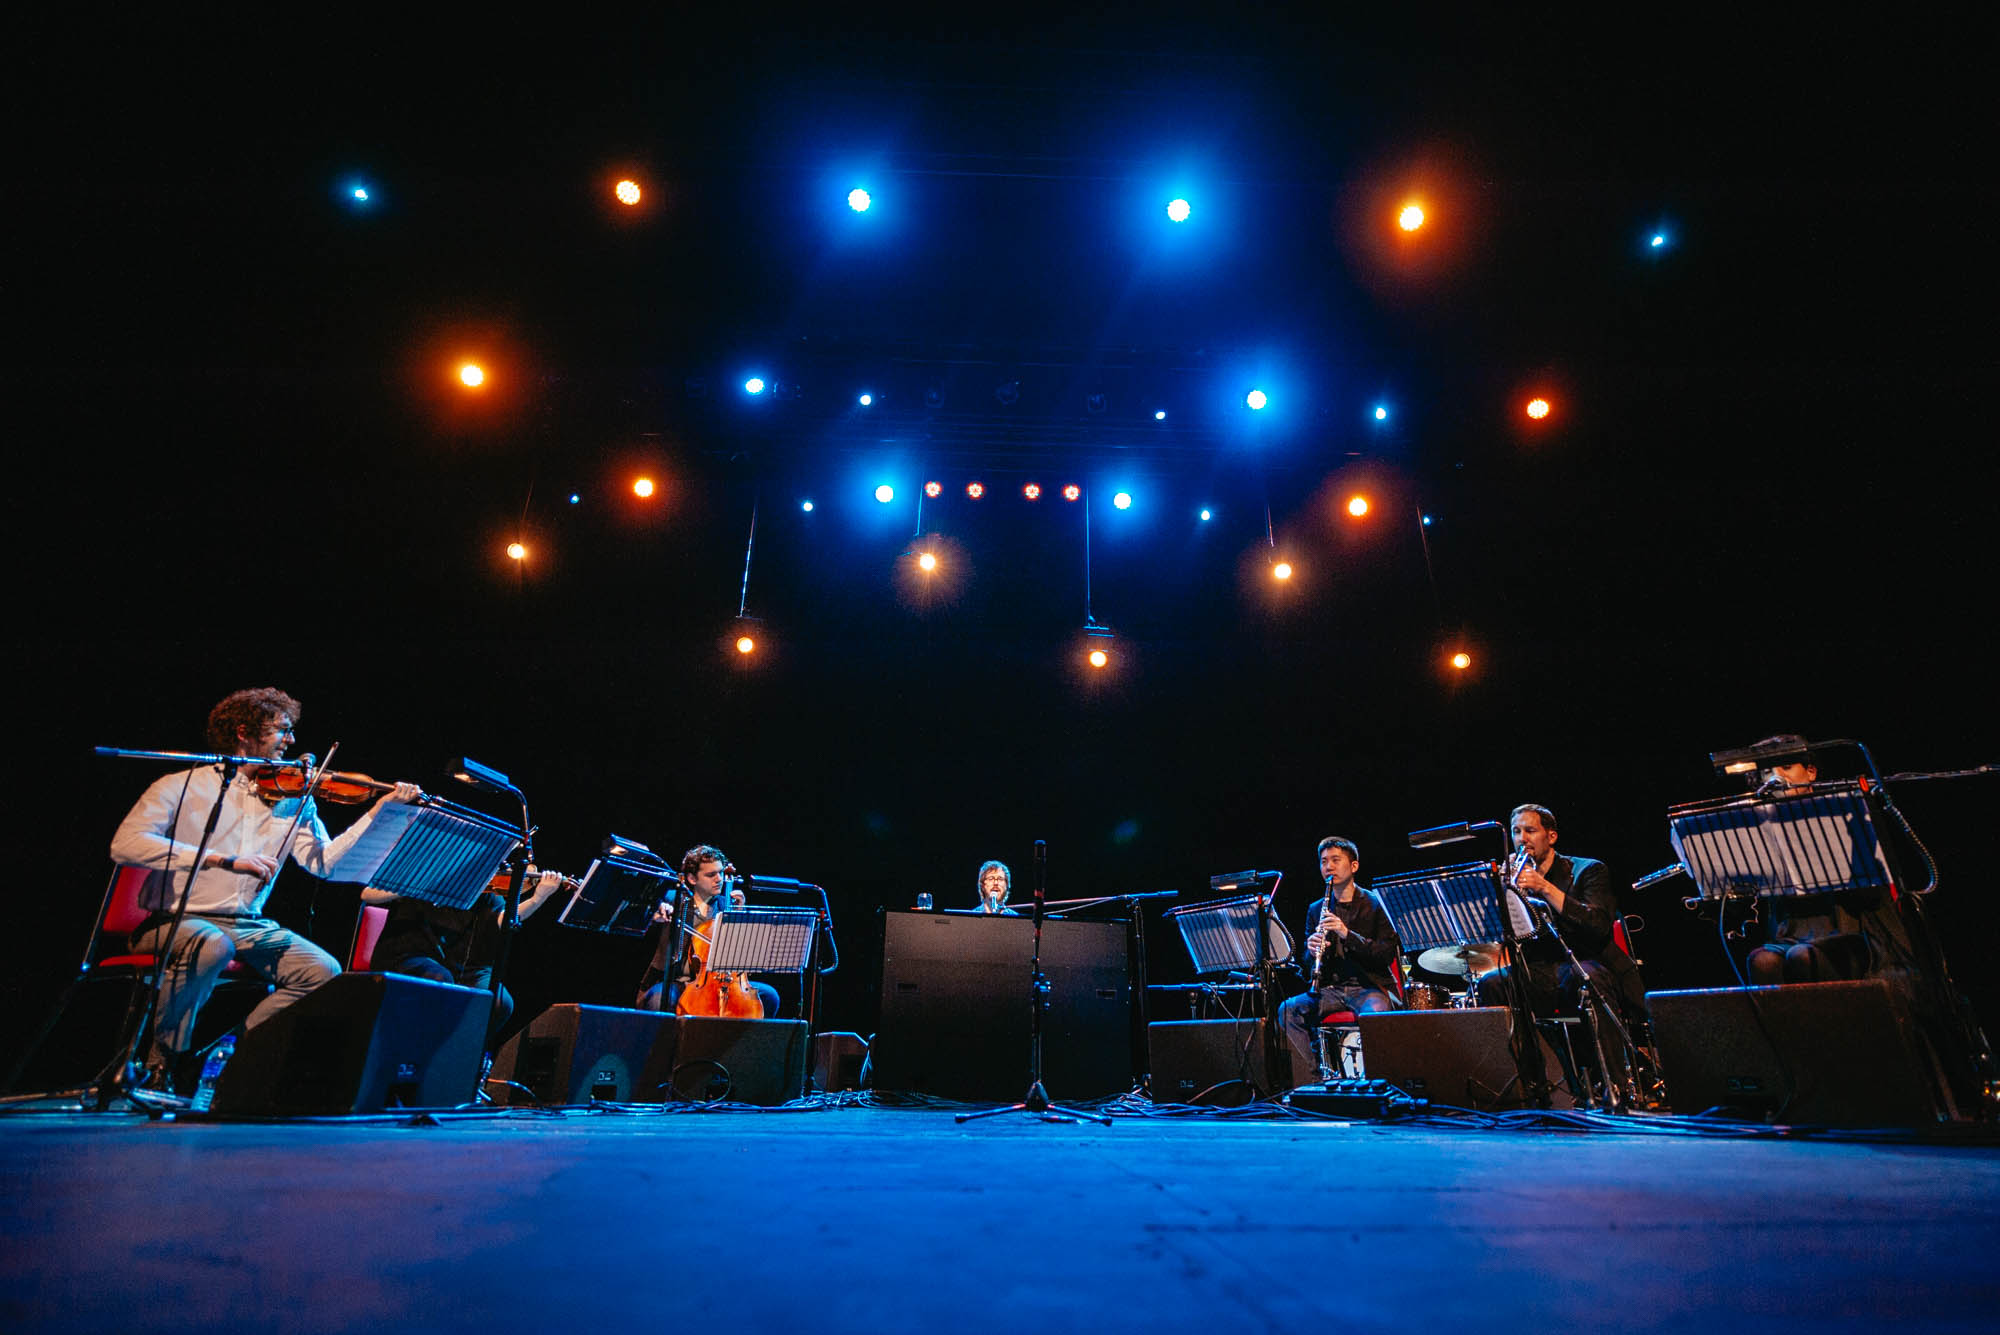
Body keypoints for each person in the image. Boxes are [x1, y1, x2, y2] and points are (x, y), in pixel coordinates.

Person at [108, 687, 421, 1092]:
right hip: (175, 921)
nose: (291, 742)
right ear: (243, 732)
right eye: (282, 730)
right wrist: (220, 860)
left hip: (247, 924)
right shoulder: (182, 785)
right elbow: (125, 844)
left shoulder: (292, 798)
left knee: (323, 972)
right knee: (211, 944)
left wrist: (382, 811)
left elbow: (326, 865)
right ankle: (161, 1066)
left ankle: (228, 1057)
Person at [1740, 735, 1908, 986]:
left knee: (1803, 957)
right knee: (1762, 961)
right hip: (1793, 931)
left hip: (1850, 927)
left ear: (1810, 772)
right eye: (1766, 772)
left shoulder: (1843, 811)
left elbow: (1871, 893)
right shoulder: (1763, 826)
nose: (1776, 778)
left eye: (1786, 767)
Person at [362, 867, 570, 1039]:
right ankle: (416, 1052)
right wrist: (421, 881)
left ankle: (461, 1056)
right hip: (408, 955)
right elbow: (368, 894)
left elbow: (504, 920)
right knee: (439, 980)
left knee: (499, 1002)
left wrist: (538, 897)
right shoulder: (426, 868)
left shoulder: (487, 891)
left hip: (464, 966)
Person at [1276, 837, 1402, 1084]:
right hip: (1330, 989)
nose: (1329, 867)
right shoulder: (1316, 909)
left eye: (1335, 860)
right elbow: (1306, 966)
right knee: (1288, 1010)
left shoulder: (1375, 903)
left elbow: (1386, 953)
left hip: (1368, 986)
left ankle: (1379, 1086)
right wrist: (1311, 952)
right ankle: (1310, 1086)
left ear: (1353, 866)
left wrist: (1347, 934)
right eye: (1324, 862)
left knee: (1376, 1015)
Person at [635, 845, 781, 1016]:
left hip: (721, 982)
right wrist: (653, 914)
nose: (718, 879)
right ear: (692, 878)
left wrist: (740, 917)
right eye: (711, 875)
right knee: (658, 999)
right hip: (677, 981)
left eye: (720, 872)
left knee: (769, 996)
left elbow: (742, 955)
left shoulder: (727, 904)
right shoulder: (672, 899)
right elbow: (639, 919)